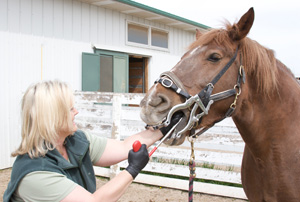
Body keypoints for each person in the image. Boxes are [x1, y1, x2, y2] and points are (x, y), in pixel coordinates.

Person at [3, 80, 182, 202]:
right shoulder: (35, 174)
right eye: (70, 108)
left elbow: (123, 147)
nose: (76, 112)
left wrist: (165, 127)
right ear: (53, 117)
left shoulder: (74, 141)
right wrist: (132, 169)